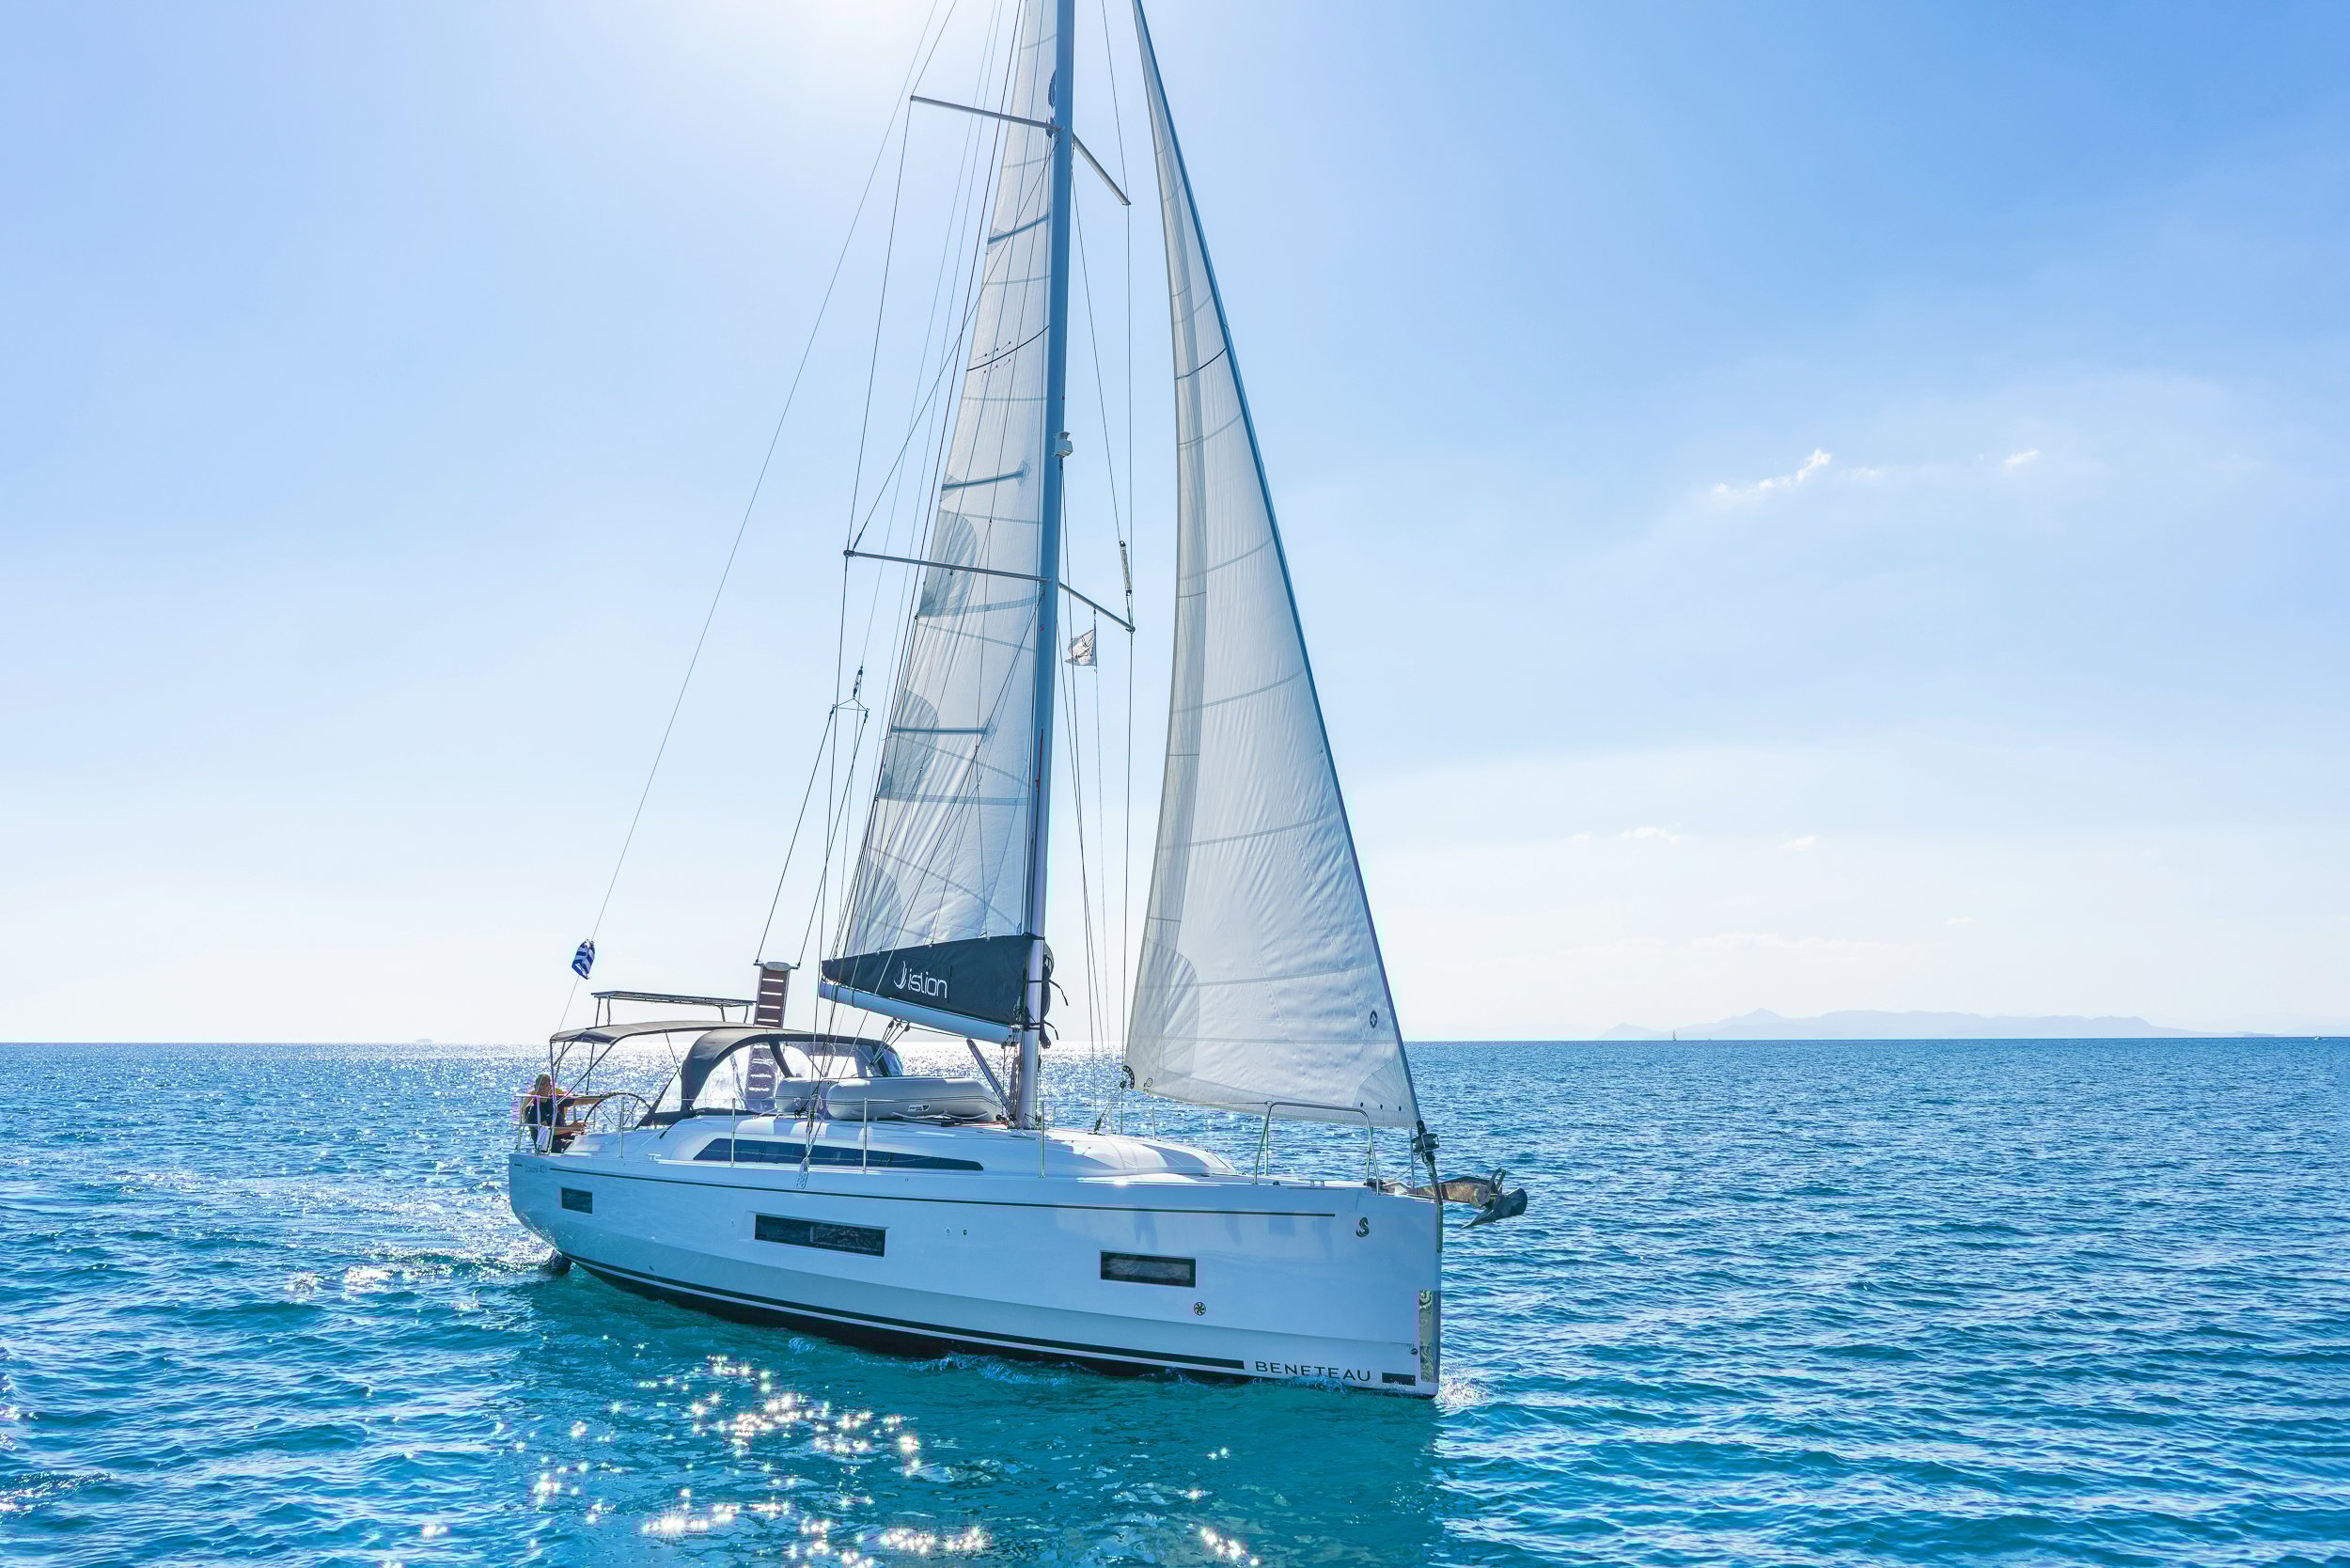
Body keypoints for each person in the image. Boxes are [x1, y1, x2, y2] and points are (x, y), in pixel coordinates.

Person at [522, 1073, 613, 1152]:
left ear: (550, 1086)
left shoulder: (555, 1099)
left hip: (564, 1137)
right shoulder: (532, 1108)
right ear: (535, 1087)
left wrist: (602, 1097)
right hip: (548, 1144)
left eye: (544, 1084)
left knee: (591, 1140)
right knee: (578, 1146)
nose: (541, 1087)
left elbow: (580, 1101)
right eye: (539, 1085)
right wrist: (572, 1127)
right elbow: (549, 1131)